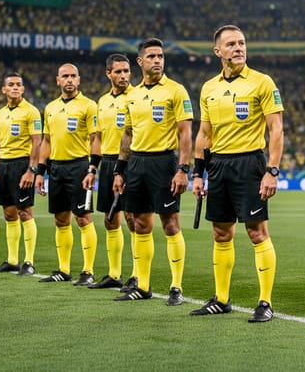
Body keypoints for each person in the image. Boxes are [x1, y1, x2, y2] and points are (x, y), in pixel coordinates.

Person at [189, 24, 284, 323]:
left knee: (257, 232)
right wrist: (198, 174)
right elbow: (204, 134)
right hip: (218, 165)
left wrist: (272, 170)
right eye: (231, 44)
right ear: (218, 51)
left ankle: (265, 302)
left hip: (250, 165)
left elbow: (276, 129)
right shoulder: (209, 87)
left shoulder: (262, 82)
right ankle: (222, 299)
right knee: (221, 233)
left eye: (241, 43)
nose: (238, 48)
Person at [112, 38, 192, 306]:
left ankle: (176, 287)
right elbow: (128, 134)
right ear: (140, 61)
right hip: (136, 163)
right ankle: (143, 285)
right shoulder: (132, 95)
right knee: (141, 225)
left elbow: (185, 133)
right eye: (152, 56)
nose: (157, 60)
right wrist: (119, 171)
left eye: (160, 56)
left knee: (170, 224)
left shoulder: (176, 90)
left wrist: (183, 169)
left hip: (164, 163)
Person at [35, 63, 102, 285]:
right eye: (65, 76)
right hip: (55, 168)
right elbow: (46, 141)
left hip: (79, 167)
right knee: (60, 219)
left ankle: (88, 271)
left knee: (82, 217)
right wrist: (40, 172)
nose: (70, 80)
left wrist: (92, 169)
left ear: (79, 79)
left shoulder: (89, 106)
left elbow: (95, 140)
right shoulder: (50, 107)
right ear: (58, 80)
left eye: (73, 75)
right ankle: (63, 270)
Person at [0, 72, 43, 276]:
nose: (15, 87)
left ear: (23, 89)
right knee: (9, 213)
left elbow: (37, 142)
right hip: (5, 166)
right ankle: (12, 260)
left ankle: (29, 261)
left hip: (22, 164)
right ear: (4, 89)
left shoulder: (31, 111)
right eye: (11, 84)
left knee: (25, 211)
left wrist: (31, 170)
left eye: (19, 84)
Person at [89, 54, 136, 290]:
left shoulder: (137, 97)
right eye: (118, 72)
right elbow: (97, 137)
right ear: (108, 73)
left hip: (129, 162)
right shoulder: (102, 101)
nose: (124, 76)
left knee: (132, 218)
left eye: (126, 71)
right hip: (107, 163)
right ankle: (114, 273)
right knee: (110, 219)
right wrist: (92, 168)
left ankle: (138, 274)